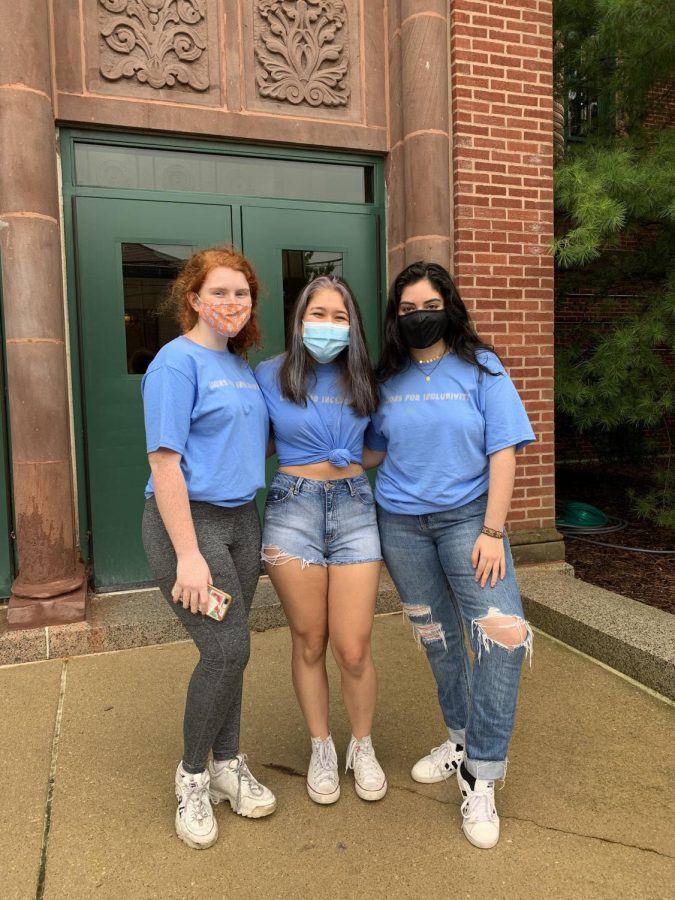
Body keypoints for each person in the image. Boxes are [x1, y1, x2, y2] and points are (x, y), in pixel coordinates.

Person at [364, 261, 535, 849]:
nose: (418, 316)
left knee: (503, 634)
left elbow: (505, 449)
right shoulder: (385, 378)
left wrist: (493, 529)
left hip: (470, 523)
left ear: (449, 305)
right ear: (397, 316)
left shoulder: (481, 367)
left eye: (428, 305)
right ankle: (459, 735)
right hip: (402, 527)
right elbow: (372, 451)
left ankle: (481, 774)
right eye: (407, 309)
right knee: (438, 638)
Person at [141, 247, 276, 850]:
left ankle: (227, 764)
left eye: (242, 293)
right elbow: (165, 461)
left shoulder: (242, 367)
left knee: (235, 649)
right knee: (225, 651)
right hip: (188, 528)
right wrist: (188, 554)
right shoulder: (176, 363)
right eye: (219, 292)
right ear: (192, 298)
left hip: (242, 520)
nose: (232, 303)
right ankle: (193, 776)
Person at [255, 275, 387, 806]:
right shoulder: (269, 375)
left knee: (353, 647)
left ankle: (362, 744)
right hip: (292, 509)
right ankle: (320, 746)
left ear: (353, 324)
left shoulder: (366, 380)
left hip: (356, 507)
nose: (328, 326)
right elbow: (249, 440)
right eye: (318, 314)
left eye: (340, 316)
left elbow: (376, 448)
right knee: (309, 640)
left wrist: (345, 465)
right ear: (299, 319)